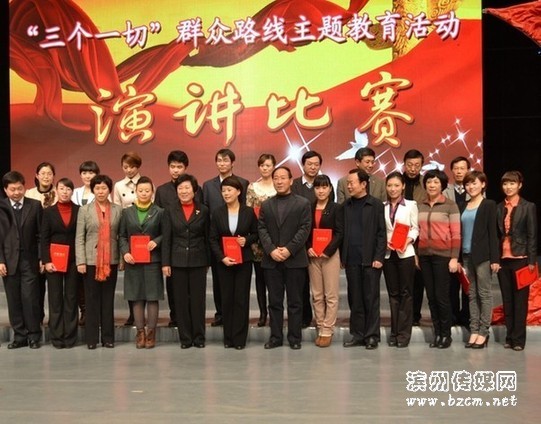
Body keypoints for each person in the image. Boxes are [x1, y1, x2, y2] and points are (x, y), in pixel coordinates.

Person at [259, 166, 311, 350]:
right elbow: (262, 229)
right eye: (276, 178)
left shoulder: (303, 203)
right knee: (274, 302)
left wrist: (289, 249)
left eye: (283, 178)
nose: (279, 181)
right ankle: (275, 337)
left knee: (295, 302)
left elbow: (305, 229)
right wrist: (271, 250)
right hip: (271, 261)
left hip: (295, 260)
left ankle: (295, 338)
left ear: (290, 180)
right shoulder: (266, 205)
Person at [162, 174, 210, 349]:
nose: (183, 191)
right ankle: (185, 338)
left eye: (187, 188)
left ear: (194, 190)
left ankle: (199, 337)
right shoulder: (170, 210)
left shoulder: (203, 210)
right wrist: (165, 263)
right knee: (180, 301)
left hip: (198, 260)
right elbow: (167, 237)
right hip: (177, 261)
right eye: (180, 188)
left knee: (198, 301)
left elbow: (207, 236)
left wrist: (208, 261)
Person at [210, 176, 258, 349]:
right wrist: (222, 257)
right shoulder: (217, 213)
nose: (226, 193)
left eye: (229, 190)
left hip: (243, 261)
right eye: (223, 191)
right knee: (227, 299)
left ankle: (239, 339)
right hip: (224, 262)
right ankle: (228, 338)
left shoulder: (248, 212)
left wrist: (247, 240)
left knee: (241, 299)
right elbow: (212, 239)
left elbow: (256, 233)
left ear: (238, 191)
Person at [203, 149, 249, 327]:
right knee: (218, 280)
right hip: (217, 241)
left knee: (238, 286)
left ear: (232, 162)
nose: (222, 164)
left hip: (238, 243)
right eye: (219, 160)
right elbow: (205, 213)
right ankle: (221, 313)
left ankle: (236, 317)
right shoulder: (208, 185)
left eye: (225, 160)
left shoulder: (243, 183)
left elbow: (246, 212)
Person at [154, 150, 201, 328]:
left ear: (185, 168)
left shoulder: (196, 189)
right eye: (172, 166)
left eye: (179, 167)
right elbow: (158, 220)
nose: (175, 170)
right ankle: (175, 317)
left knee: (192, 291)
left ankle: (191, 319)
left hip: (193, 247)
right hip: (171, 246)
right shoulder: (162, 191)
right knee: (173, 287)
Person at [75, 175, 122, 349]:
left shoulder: (118, 210)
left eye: (104, 188)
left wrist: (122, 258)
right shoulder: (84, 210)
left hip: (111, 260)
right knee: (91, 300)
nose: (101, 191)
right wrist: (80, 261)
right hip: (90, 261)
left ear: (109, 190)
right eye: (97, 188)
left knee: (108, 300)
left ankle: (108, 338)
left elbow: (121, 236)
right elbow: (79, 237)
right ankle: (92, 339)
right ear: (93, 190)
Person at [341, 169, 386, 350]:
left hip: (370, 259)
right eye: (348, 183)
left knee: (371, 299)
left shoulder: (375, 205)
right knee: (355, 299)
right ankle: (358, 335)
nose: (349, 186)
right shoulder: (346, 205)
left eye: (351, 182)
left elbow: (381, 233)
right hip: (351, 259)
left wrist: (379, 256)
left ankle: (372, 336)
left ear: (363, 184)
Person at [119, 177, 164, 349]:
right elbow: (122, 236)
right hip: (133, 260)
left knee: (152, 296)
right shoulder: (127, 212)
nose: (144, 193)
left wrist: (157, 241)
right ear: (135, 192)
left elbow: (165, 233)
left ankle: (151, 333)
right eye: (140, 190)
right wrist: (125, 252)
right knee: (136, 296)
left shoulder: (160, 212)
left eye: (147, 190)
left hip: (153, 260)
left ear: (152, 192)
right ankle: (140, 333)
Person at [417, 169, 460, 349]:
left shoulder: (450, 205)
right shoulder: (420, 205)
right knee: (431, 297)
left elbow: (456, 234)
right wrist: (416, 255)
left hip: (443, 256)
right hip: (424, 256)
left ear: (442, 185)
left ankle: (446, 334)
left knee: (442, 297)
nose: (432, 185)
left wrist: (454, 257)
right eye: (429, 182)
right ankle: (437, 334)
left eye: (436, 182)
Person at [0, 171, 43, 349]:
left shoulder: (35, 205)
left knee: (30, 298)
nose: (17, 192)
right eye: (12, 189)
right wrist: (0, 261)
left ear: (24, 187)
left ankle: (34, 335)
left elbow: (41, 235)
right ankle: (19, 336)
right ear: (5, 190)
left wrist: (41, 257)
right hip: (8, 261)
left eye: (19, 188)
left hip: (29, 261)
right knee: (14, 300)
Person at [496, 171, 537, 351]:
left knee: (520, 301)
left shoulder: (528, 206)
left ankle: (519, 340)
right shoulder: (498, 207)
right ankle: (509, 336)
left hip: (521, 258)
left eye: (512, 183)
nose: (508, 187)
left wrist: (531, 260)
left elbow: (532, 235)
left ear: (519, 185)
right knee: (507, 300)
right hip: (503, 259)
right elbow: (496, 234)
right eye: (505, 184)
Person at [291, 151, 331, 328]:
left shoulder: (324, 184)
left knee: (321, 286)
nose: (313, 167)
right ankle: (304, 317)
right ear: (303, 165)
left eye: (316, 164)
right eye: (310, 164)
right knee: (301, 283)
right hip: (299, 242)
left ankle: (323, 320)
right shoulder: (294, 185)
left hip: (320, 243)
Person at [460, 171, 500, 349]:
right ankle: (474, 329)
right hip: (466, 255)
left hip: (483, 256)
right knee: (471, 294)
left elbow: (493, 233)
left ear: (483, 184)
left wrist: (495, 259)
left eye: (474, 183)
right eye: (468, 184)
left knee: (484, 294)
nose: (471, 187)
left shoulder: (489, 204)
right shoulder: (463, 205)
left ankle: (484, 331)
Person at [41, 178, 79, 348]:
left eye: (68, 189)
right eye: (62, 188)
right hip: (54, 260)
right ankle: (56, 337)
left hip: (73, 260)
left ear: (72, 191)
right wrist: (46, 261)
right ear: (56, 190)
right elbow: (44, 238)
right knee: (55, 299)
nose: (65, 192)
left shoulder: (79, 210)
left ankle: (70, 337)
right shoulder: (48, 212)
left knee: (71, 298)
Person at [382, 171, 419, 348]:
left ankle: (404, 334)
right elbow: (381, 230)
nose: (393, 189)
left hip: (405, 254)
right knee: (393, 294)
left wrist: (407, 240)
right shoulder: (382, 206)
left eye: (396, 185)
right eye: (390, 185)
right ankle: (394, 332)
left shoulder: (411, 205)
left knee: (406, 294)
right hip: (388, 254)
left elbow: (415, 228)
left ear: (403, 186)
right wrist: (384, 243)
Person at [306, 175, 343, 347]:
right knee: (317, 294)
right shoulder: (309, 207)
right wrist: (308, 247)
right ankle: (320, 326)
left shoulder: (336, 208)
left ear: (330, 189)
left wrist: (328, 251)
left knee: (331, 295)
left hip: (330, 255)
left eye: (324, 187)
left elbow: (340, 232)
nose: (321, 191)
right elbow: (305, 230)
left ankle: (328, 329)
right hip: (313, 255)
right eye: (317, 187)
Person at [245, 153, 277, 327]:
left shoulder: (279, 186)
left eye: (268, 165)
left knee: (274, 279)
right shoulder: (252, 187)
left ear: (273, 167)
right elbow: (248, 213)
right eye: (262, 165)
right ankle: (263, 313)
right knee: (259, 278)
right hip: (257, 240)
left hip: (275, 239)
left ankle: (274, 312)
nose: (265, 168)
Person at [113, 151, 144, 327]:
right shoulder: (118, 186)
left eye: (132, 167)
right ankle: (132, 314)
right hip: (127, 230)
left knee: (143, 276)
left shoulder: (145, 182)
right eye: (126, 167)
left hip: (144, 232)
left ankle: (142, 313)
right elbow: (117, 210)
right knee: (131, 277)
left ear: (138, 166)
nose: (129, 170)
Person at [25, 161, 58, 324]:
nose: (46, 176)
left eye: (49, 173)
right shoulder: (29, 194)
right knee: (36, 287)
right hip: (34, 244)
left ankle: (56, 320)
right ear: (37, 176)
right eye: (43, 173)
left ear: (53, 176)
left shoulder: (59, 193)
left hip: (55, 245)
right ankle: (37, 318)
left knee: (55, 287)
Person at [72, 160, 101, 327]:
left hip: (93, 241)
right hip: (75, 238)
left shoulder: (101, 191)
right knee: (77, 280)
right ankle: (83, 309)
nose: (88, 176)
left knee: (91, 280)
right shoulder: (75, 192)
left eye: (91, 172)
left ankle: (93, 311)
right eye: (84, 173)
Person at [444, 156, 471, 328]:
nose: (459, 171)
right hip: (450, 242)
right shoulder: (445, 191)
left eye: (463, 168)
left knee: (468, 282)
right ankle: (453, 316)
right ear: (452, 171)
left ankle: (467, 316)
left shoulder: (476, 190)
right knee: (451, 283)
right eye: (456, 168)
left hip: (469, 242)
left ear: (468, 170)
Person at [402, 149, 427, 326]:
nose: (413, 169)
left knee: (418, 279)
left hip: (421, 235)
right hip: (398, 235)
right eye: (410, 165)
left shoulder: (426, 184)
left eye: (417, 165)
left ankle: (415, 316)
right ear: (404, 164)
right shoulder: (396, 181)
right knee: (402, 280)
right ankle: (403, 315)